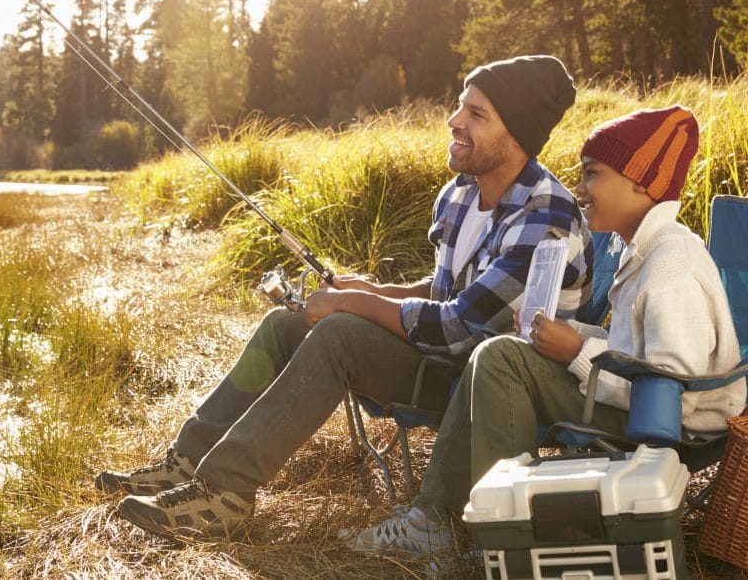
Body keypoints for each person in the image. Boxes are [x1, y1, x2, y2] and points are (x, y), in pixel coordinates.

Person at [97, 55, 594, 538]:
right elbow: (446, 291)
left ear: (518, 136)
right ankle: (186, 462)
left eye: (476, 114)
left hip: (481, 387)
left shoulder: (545, 214)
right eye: (461, 105)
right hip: (440, 361)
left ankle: (223, 494)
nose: (454, 120)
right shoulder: (461, 193)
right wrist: (370, 290)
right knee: (286, 325)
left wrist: (351, 304)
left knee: (340, 334)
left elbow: (457, 328)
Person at [345, 104, 746, 556]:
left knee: (501, 359)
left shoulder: (670, 264)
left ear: (641, 181)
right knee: (501, 352)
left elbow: (673, 389)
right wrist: (572, 335)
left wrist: (575, 351)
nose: (580, 188)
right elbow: (634, 352)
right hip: (641, 404)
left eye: (593, 174)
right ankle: (440, 518)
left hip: (674, 426)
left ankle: (496, 534)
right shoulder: (643, 250)